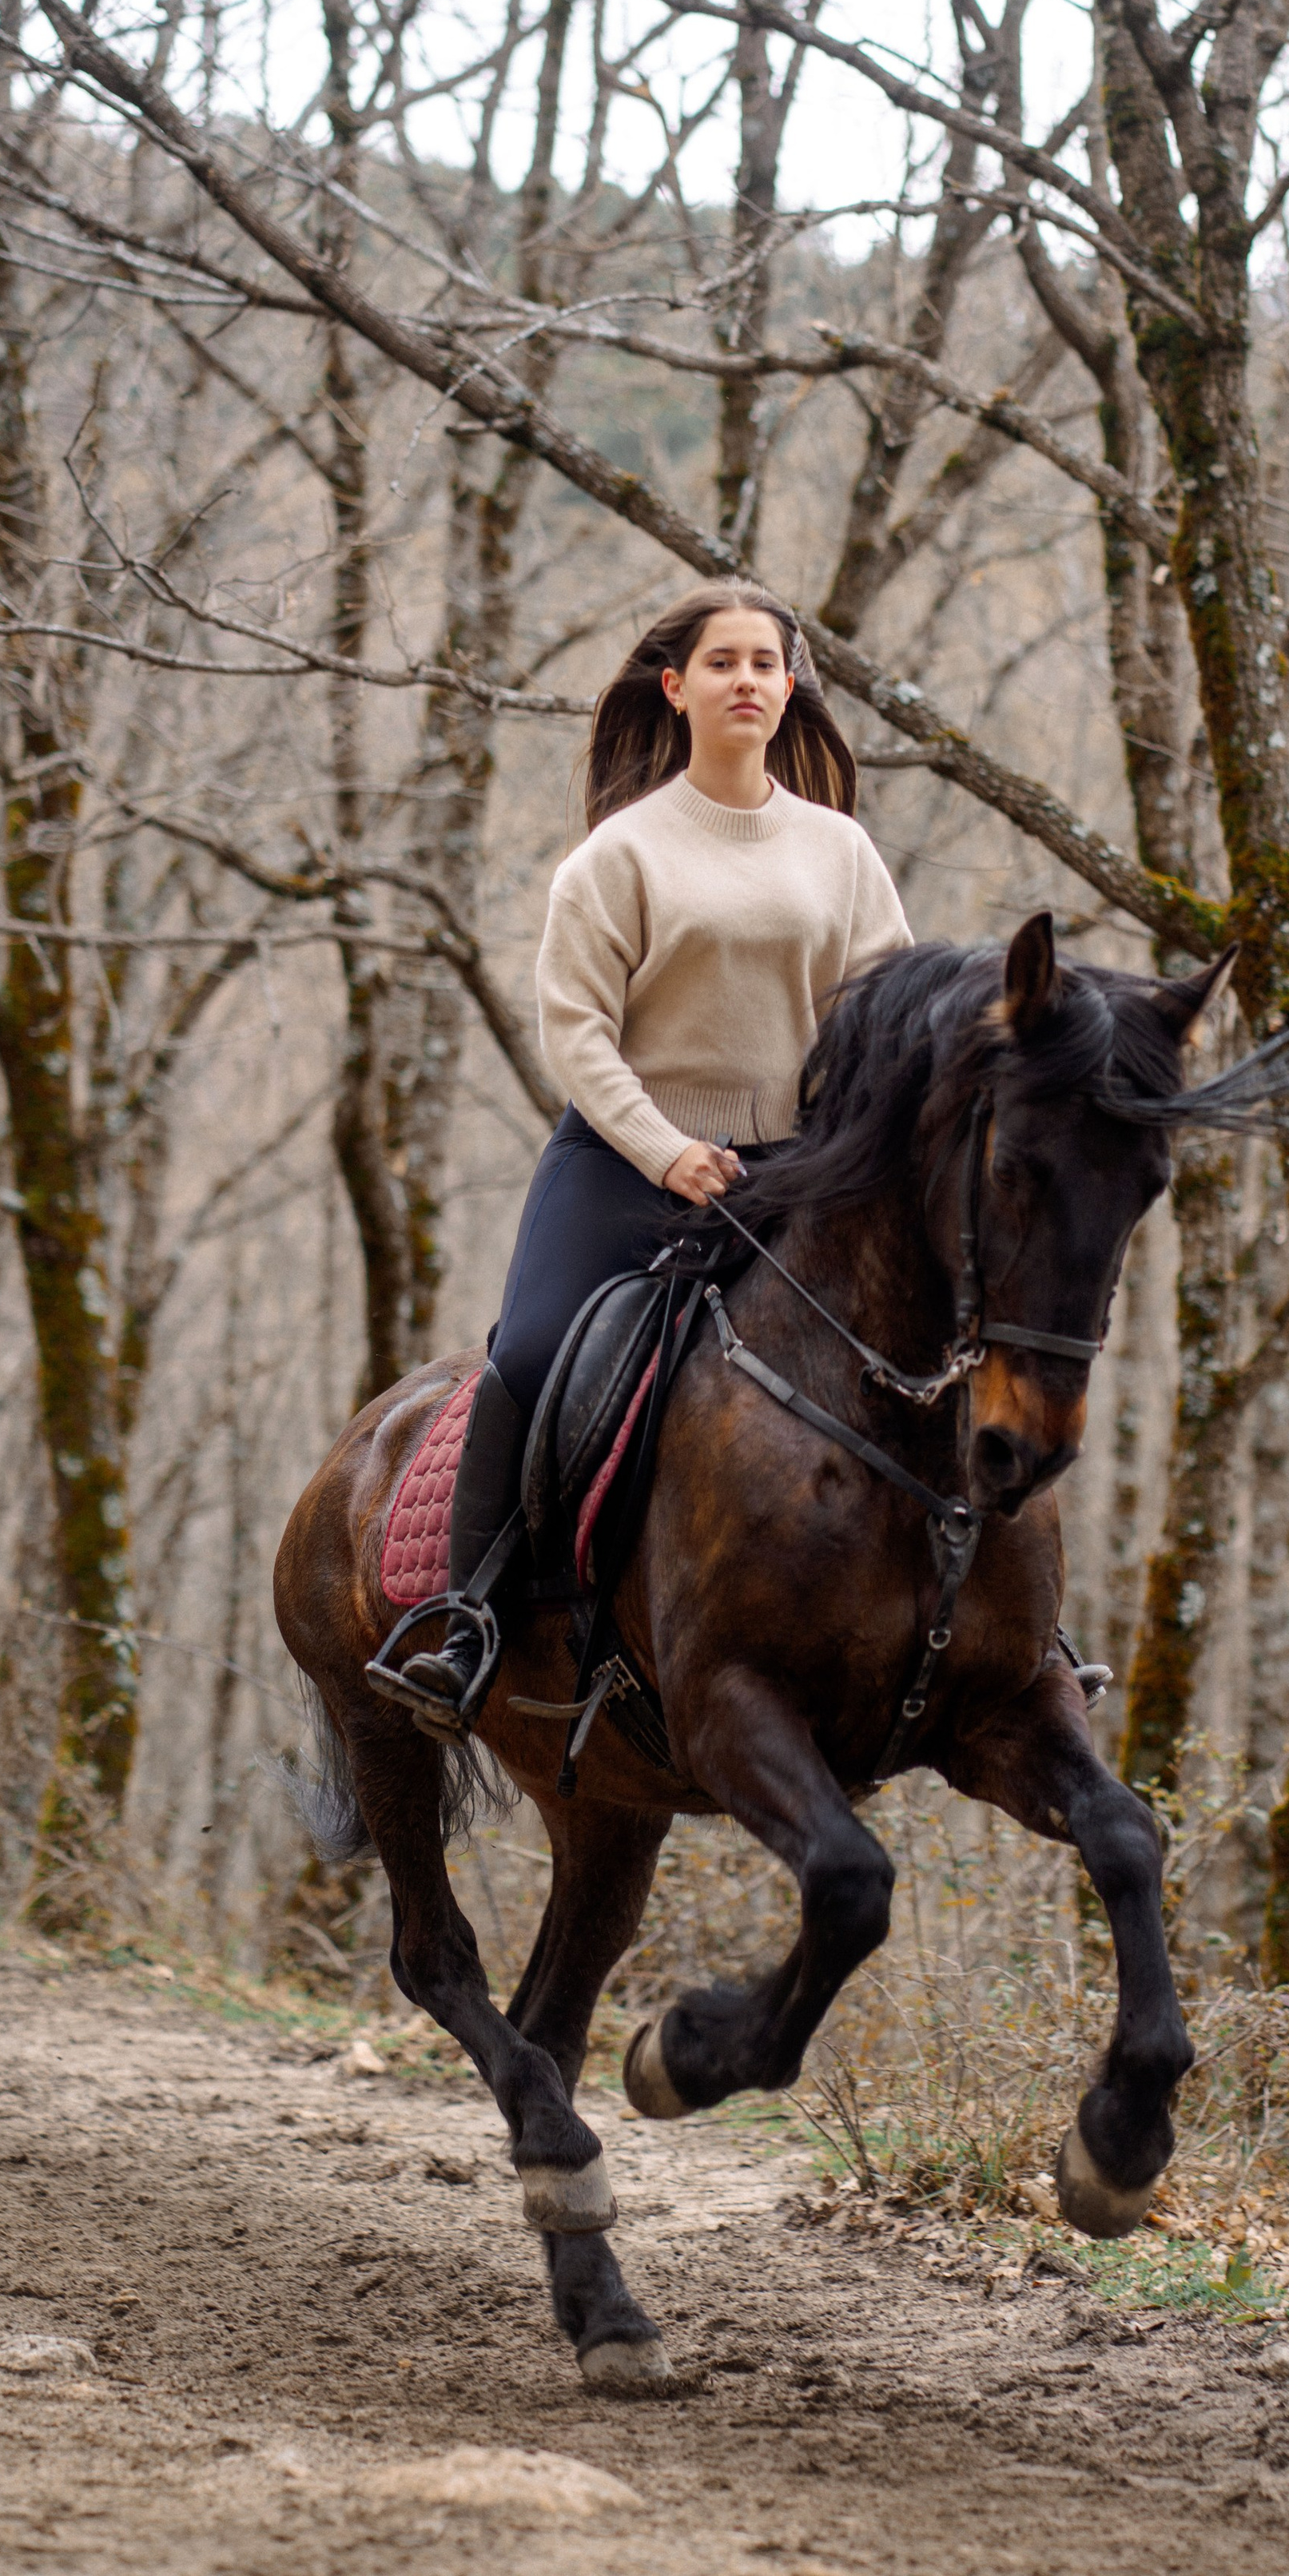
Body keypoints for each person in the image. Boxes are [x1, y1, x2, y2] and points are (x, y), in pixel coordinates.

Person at [385, 578, 913, 1722]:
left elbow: (882, 1013)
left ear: (788, 689)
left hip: (794, 1172)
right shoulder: (618, 856)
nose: (747, 682)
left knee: (922, 1352)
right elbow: (574, 1031)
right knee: (527, 1353)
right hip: (626, 1163)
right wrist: (665, 1146)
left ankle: (996, 1627)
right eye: (722, 663)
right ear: (675, 687)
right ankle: (469, 1619)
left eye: (766, 665)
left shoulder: (842, 852)